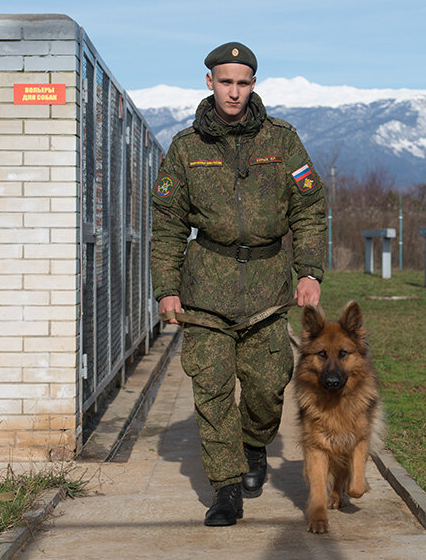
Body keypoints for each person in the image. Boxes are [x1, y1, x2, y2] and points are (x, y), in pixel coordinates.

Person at [150, 41, 326, 527]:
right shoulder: (188, 148)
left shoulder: (282, 141)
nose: (234, 92)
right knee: (210, 389)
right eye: (225, 82)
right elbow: (166, 223)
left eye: (242, 83)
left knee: (269, 387)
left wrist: (309, 272)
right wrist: (166, 287)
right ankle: (225, 489)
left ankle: (254, 444)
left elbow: (309, 210)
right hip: (206, 288)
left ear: (253, 84)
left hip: (268, 289)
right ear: (210, 82)